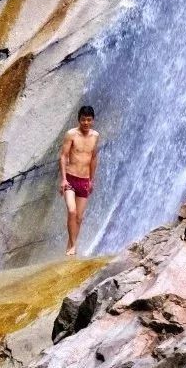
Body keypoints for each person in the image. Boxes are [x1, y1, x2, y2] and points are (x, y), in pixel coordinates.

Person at [59, 104, 100, 256]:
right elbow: (63, 156)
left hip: (84, 180)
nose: (86, 123)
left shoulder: (95, 136)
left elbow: (94, 157)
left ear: (93, 121)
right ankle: (74, 245)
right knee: (71, 210)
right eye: (83, 120)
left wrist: (91, 180)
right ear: (79, 119)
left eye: (89, 120)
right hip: (70, 178)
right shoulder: (71, 134)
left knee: (79, 217)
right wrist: (63, 179)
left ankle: (70, 246)